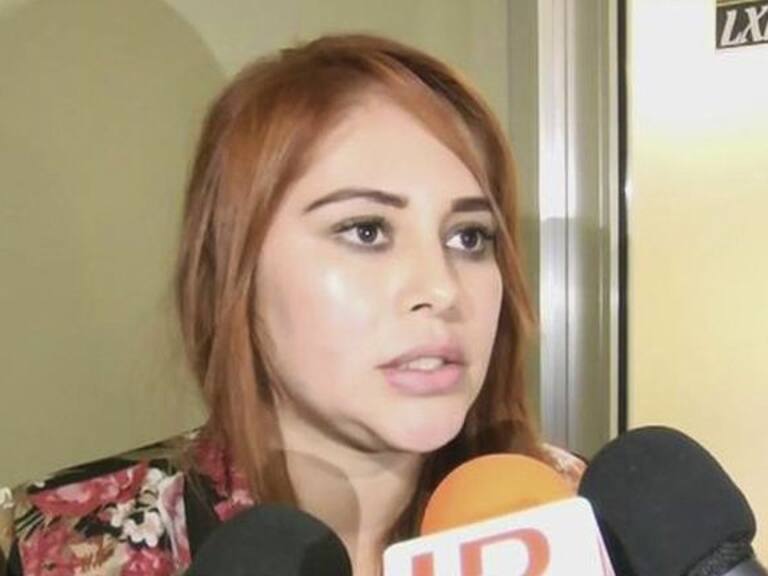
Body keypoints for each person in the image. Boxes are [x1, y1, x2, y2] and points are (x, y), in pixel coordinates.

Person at [0, 33, 585, 575]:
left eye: (469, 237)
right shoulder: (58, 548)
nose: (442, 289)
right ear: (236, 266)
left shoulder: (579, 516)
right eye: (366, 231)